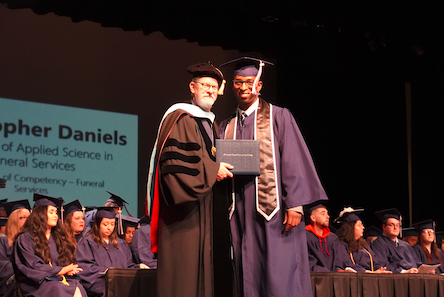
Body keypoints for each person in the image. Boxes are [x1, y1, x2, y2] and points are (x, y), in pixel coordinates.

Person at [219, 57, 328, 297]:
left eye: (250, 81)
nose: (243, 87)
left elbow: (293, 159)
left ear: (259, 85)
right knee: (246, 270)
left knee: (280, 273)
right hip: (240, 211)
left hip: (275, 210)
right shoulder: (226, 126)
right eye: (238, 82)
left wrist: (296, 204)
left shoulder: (279, 116)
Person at [147, 62, 233, 297]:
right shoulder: (181, 118)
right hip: (184, 215)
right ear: (192, 87)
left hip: (206, 208)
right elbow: (178, 166)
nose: (210, 91)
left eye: (214, 87)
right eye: (205, 85)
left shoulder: (211, 123)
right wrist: (213, 170)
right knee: (184, 275)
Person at [13, 193, 86, 297]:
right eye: (51, 212)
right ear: (40, 214)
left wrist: (68, 270)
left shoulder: (59, 238)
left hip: (58, 279)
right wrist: (60, 270)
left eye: (56, 212)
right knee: (58, 287)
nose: (55, 215)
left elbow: (64, 262)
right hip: (37, 283)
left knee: (77, 285)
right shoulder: (25, 238)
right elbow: (32, 266)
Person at [76, 207, 147, 296]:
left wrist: (138, 266)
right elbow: (85, 267)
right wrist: (108, 271)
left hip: (121, 281)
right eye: (105, 224)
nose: (109, 228)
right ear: (98, 224)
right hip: (99, 282)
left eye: (112, 224)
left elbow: (128, 266)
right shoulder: (87, 242)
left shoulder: (120, 243)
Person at [335, 207, 391, 273]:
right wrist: (368, 272)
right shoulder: (341, 244)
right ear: (350, 228)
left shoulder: (363, 244)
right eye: (359, 225)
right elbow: (348, 264)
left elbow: (374, 261)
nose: (363, 227)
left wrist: (380, 269)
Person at [370, 208, 418, 273]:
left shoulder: (405, 245)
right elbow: (382, 265)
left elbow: (415, 262)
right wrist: (403, 271)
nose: (395, 228)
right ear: (384, 227)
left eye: (398, 225)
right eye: (392, 225)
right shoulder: (378, 243)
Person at [0, 200, 31, 297]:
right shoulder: (3, 240)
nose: (26, 220)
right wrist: (23, 272)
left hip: (31, 277)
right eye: (22, 218)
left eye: (28, 218)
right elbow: (3, 265)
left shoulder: (33, 240)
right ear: (14, 220)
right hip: (12, 281)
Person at [305, 202, 343, 272]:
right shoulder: (305, 237)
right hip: (314, 279)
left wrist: (339, 270)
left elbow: (338, 261)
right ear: (313, 218)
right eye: (323, 214)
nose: (328, 216)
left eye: (327, 214)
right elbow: (308, 263)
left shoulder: (333, 238)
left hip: (332, 279)